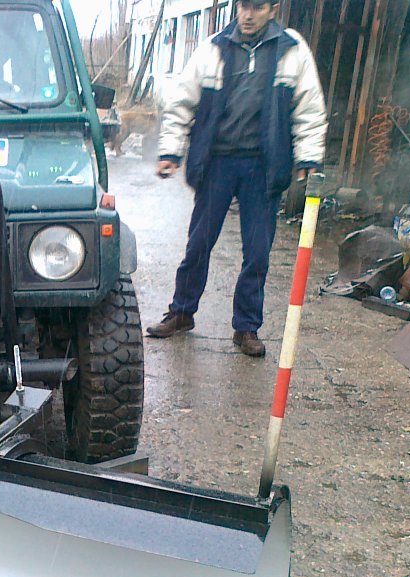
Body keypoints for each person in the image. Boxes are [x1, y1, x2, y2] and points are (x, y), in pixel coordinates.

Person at [146, 0, 327, 357]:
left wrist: (309, 157)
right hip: (218, 163)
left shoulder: (292, 51)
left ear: (273, 9)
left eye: (257, 7)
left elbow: (309, 108)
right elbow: (182, 102)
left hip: (262, 167)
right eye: (244, 5)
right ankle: (182, 311)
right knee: (199, 244)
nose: (247, 14)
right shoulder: (213, 48)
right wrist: (171, 151)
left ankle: (246, 327)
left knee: (257, 252)